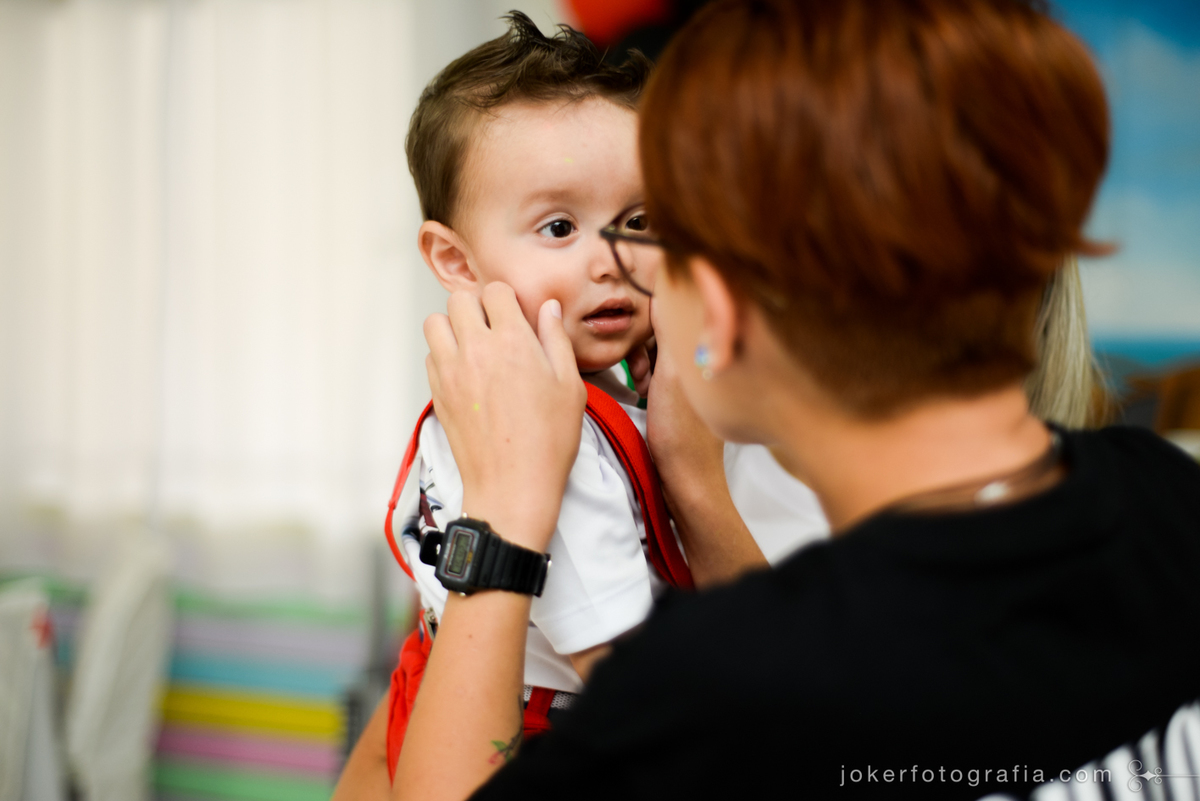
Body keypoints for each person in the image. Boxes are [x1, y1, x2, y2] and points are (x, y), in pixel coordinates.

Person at [365, 0, 1200, 799]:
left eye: (655, 229)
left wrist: (506, 519)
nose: (626, 267)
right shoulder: (1166, 496)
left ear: (724, 313)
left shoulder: (723, 696)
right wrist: (690, 478)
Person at [332, 15, 772, 799]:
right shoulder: (561, 442)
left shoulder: (501, 404)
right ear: (455, 261)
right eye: (560, 226)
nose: (611, 260)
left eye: (638, 222)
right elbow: (630, 677)